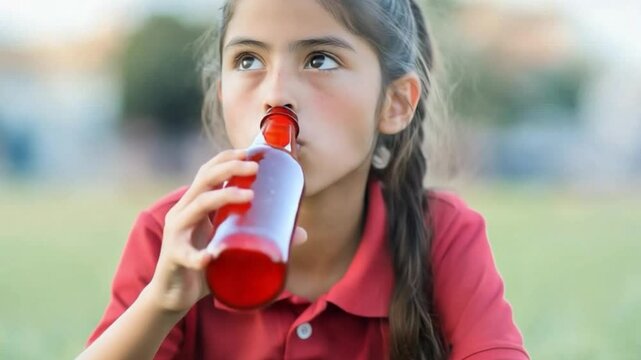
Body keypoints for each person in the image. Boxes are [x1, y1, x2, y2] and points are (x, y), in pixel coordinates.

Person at [78, 0, 529, 359]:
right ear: (222, 93)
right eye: (248, 60)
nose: (276, 94)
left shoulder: (442, 235)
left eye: (320, 60)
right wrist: (163, 301)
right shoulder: (174, 234)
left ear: (394, 103)